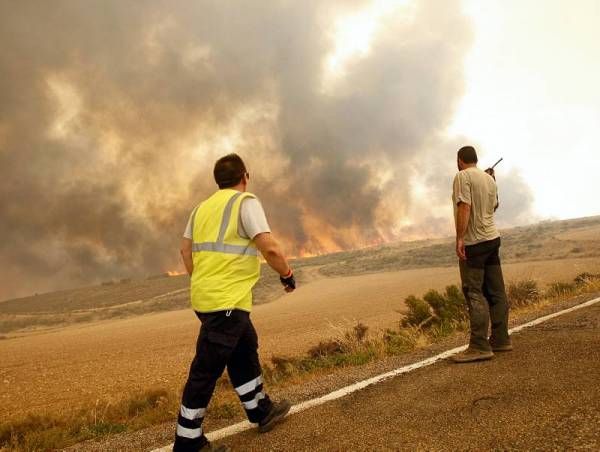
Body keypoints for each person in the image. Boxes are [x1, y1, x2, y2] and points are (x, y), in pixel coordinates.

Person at [174, 153, 296, 451]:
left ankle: (261, 410)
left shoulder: (200, 209)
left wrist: (203, 280)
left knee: (244, 348)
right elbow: (269, 249)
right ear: (245, 176)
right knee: (206, 368)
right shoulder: (245, 202)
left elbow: (184, 252)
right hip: (225, 301)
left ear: (219, 181)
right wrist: (287, 274)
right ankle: (187, 441)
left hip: (212, 299)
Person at [451, 146, 512, 363]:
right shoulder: (490, 180)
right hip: (492, 240)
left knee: (474, 292)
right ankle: (501, 339)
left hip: (474, 244)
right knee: (496, 291)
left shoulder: (462, 176)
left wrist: (460, 238)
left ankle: (479, 346)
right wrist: (490, 180)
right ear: (476, 160)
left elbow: (464, 206)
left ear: (460, 160)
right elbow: (493, 207)